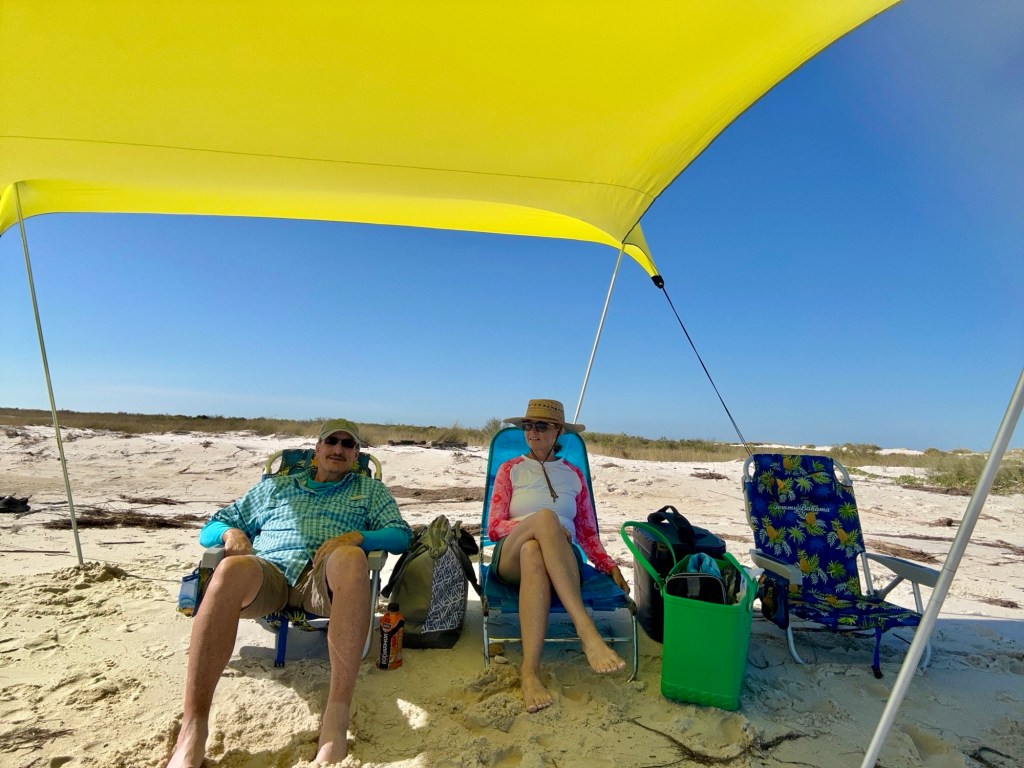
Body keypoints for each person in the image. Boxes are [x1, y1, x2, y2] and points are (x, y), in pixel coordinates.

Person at [166, 419, 412, 768]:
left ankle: (336, 718)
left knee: (351, 557)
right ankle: (193, 729)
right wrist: (230, 533)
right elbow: (211, 526)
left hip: (323, 579)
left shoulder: (368, 491)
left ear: (357, 454)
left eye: (348, 444)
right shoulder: (276, 488)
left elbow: (400, 535)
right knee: (229, 569)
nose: (339, 449)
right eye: (332, 441)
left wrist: (359, 537)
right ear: (317, 449)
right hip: (270, 575)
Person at [487, 399, 630, 713]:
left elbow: (588, 534)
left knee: (534, 551)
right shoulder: (510, 470)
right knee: (545, 523)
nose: (532, 432)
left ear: (558, 432)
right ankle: (586, 630)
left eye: (541, 426)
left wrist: (608, 566)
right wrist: (540, 523)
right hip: (509, 557)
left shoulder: (574, 475)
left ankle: (530, 671)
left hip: (559, 561)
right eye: (528, 426)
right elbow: (494, 527)